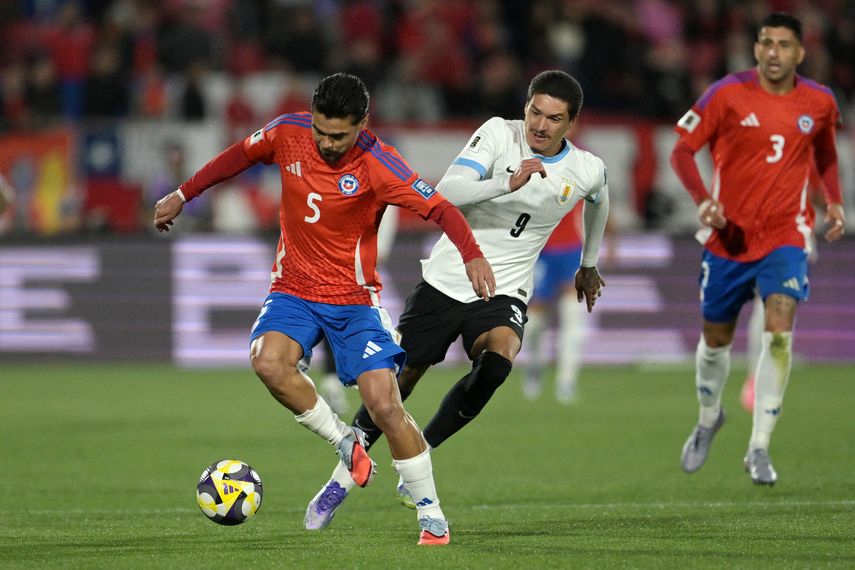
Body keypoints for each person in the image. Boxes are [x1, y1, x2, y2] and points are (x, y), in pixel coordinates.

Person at [153, 72, 497, 545]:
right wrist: (182, 194)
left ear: (362, 124)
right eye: (321, 130)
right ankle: (345, 442)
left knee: (384, 403)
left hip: (353, 301)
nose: (327, 142)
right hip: (292, 288)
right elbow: (236, 157)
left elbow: (441, 209)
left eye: (339, 135)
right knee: (267, 362)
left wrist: (472, 253)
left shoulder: (383, 164)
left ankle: (431, 515)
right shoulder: (286, 132)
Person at [305, 69, 610, 528]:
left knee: (498, 360)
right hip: (446, 279)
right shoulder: (497, 135)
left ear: (572, 123)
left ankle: (420, 452)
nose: (540, 125)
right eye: (534, 112)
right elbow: (447, 191)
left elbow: (600, 198)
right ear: (524, 106)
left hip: (504, 288)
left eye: (554, 118)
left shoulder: (585, 168)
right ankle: (338, 482)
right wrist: (504, 184)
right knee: (395, 386)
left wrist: (588, 263)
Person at [670, 12, 846, 486]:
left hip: (786, 235)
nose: (773, 52)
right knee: (715, 343)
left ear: (799, 53)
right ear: (755, 49)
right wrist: (704, 201)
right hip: (729, 238)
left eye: (784, 44)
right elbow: (681, 151)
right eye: (766, 43)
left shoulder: (820, 101)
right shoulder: (726, 93)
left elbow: (826, 153)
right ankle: (709, 418)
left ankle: (759, 445)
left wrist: (835, 203)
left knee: (779, 328)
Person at [521, 206, 587, 404]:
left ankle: (566, 381)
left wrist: (609, 238)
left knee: (572, 315)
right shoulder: (533, 175)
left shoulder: (582, 175)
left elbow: (599, 201)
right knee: (532, 323)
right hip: (542, 252)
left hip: (572, 250)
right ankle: (534, 365)